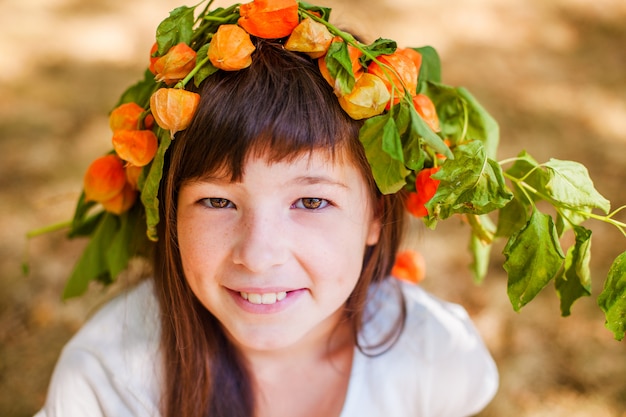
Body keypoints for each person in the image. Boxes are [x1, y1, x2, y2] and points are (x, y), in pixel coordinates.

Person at [35, 1, 500, 416]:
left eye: (312, 201)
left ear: (377, 215)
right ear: (169, 212)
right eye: (217, 201)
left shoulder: (435, 357)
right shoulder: (109, 384)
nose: (258, 255)